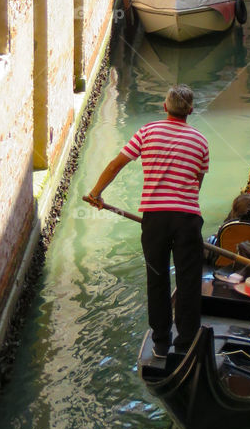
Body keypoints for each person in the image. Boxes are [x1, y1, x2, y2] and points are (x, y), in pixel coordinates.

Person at [86, 84, 209, 362]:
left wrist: (96, 193)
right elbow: (197, 183)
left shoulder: (147, 132)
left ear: (164, 107)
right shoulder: (200, 141)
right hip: (188, 218)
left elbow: (117, 163)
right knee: (189, 281)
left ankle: (161, 343)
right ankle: (187, 342)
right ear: (190, 110)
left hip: (155, 219)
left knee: (157, 278)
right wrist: (182, 204)